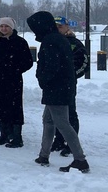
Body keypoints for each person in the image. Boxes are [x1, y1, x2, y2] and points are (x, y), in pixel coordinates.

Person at [27, 11, 89, 172]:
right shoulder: (55, 39)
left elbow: (51, 66)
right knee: (48, 120)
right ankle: (44, 155)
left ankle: (80, 159)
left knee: (62, 122)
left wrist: (42, 78)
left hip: (57, 88)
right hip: (60, 87)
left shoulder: (52, 41)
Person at [0, 17, 33, 147]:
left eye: (6, 27)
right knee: (0, 107)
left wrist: (15, 70)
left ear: (12, 28)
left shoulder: (19, 42)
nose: (4, 29)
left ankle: (17, 136)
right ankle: (4, 134)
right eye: (2, 27)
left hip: (13, 80)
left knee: (15, 107)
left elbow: (28, 61)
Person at [51, 16, 88, 156]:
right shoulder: (52, 42)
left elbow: (83, 64)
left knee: (70, 114)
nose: (58, 29)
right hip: (53, 85)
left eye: (60, 26)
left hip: (68, 85)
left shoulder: (75, 44)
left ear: (67, 27)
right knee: (55, 114)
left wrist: (70, 77)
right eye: (56, 27)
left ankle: (71, 143)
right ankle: (58, 140)